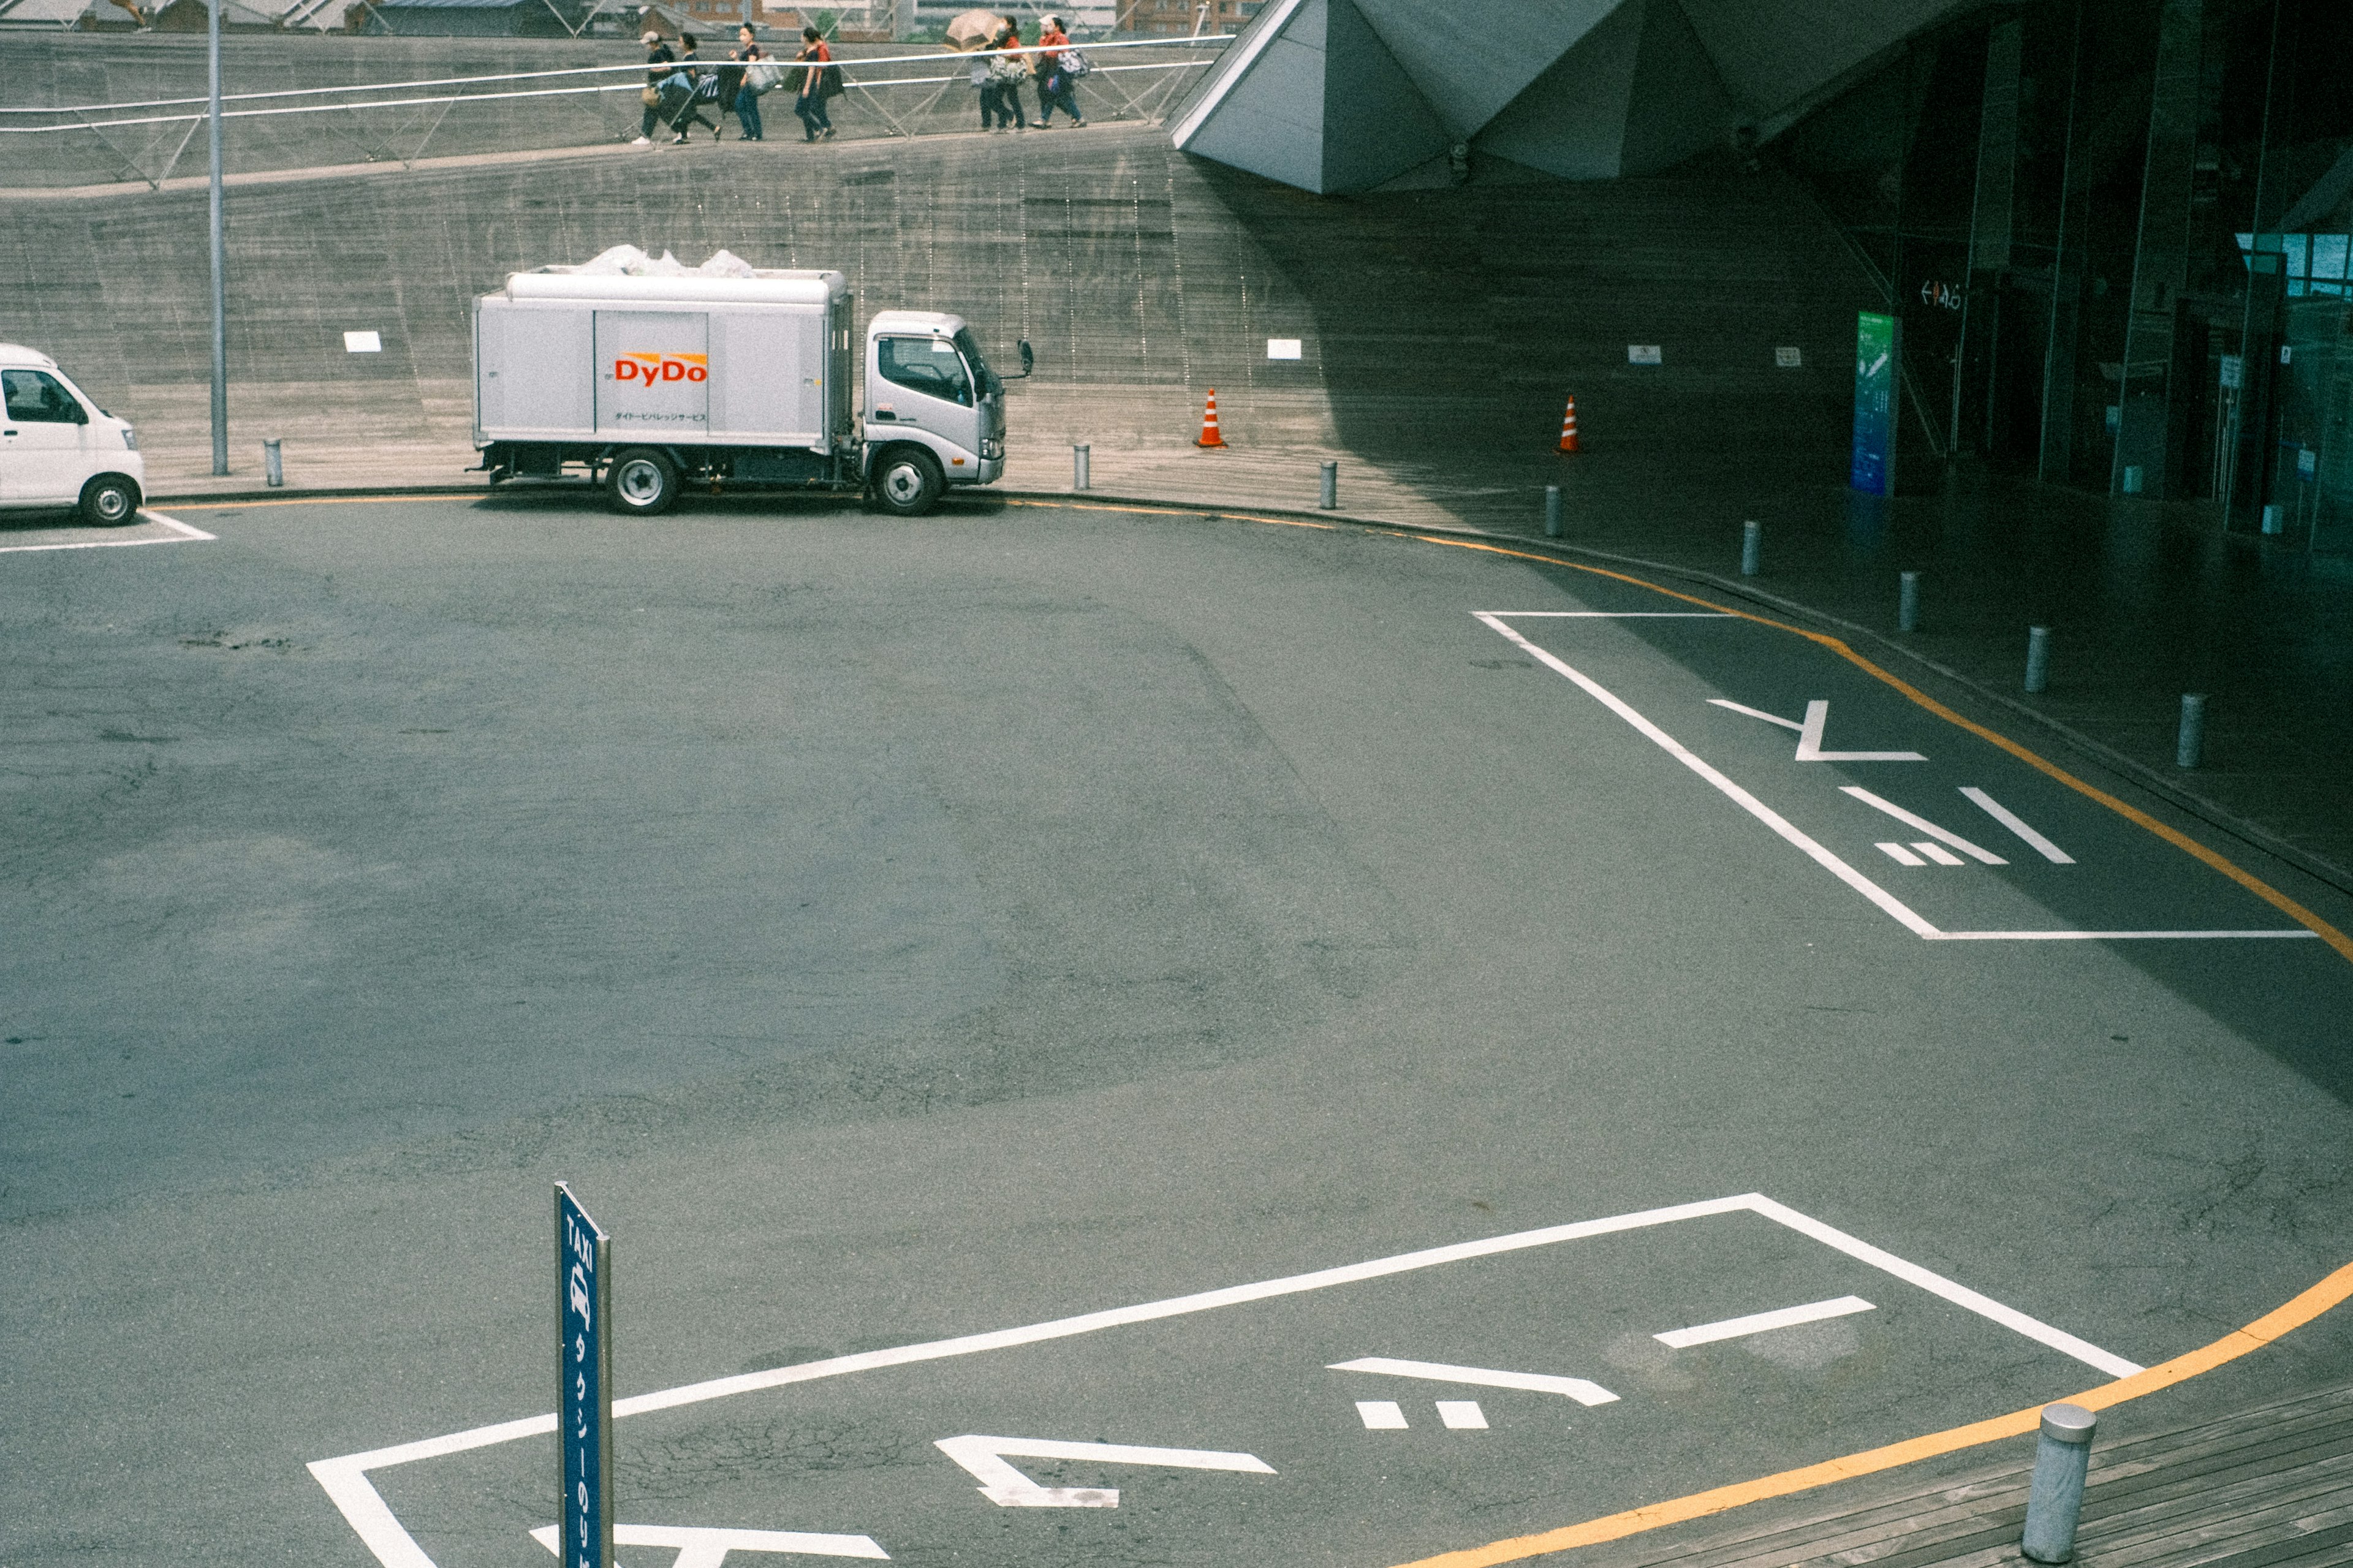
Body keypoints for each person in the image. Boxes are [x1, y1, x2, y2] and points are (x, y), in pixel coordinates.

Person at [665, 32, 720, 144]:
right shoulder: (689, 55)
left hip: (688, 90)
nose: (678, 44)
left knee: (688, 113)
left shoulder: (690, 57)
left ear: (686, 44)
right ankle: (686, 135)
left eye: (680, 42)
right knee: (687, 112)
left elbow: (692, 74)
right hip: (687, 89)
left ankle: (712, 128)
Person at [1032, 13, 1082, 129]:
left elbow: (1064, 54)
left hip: (1060, 71)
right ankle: (1077, 117)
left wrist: (1050, 52)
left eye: (1051, 25)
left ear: (1057, 27)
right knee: (1060, 96)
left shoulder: (1062, 38)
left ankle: (1045, 119)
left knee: (1054, 94)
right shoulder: (1051, 38)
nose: (1048, 27)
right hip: (1056, 71)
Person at [634, 30, 678, 146]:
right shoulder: (661, 51)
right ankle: (681, 131)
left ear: (653, 43)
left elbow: (667, 67)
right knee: (661, 112)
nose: (647, 46)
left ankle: (645, 136)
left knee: (651, 110)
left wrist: (653, 69)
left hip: (658, 87)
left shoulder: (658, 53)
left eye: (648, 44)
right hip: (660, 86)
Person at [794, 25, 837, 142]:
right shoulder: (811, 51)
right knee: (812, 108)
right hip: (813, 83)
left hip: (818, 83)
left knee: (811, 108)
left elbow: (819, 69)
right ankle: (816, 132)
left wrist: (814, 85)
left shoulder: (820, 50)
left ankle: (823, 127)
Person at [983, 17, 1027, 131]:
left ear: (1010, 25)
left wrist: (1003, 54)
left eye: (1003, 22)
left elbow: (1017, 54)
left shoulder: (1011, 38)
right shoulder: (1005, 38)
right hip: (1005, 74)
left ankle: (1011, 119)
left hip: (1008, 73)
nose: (1001, 24)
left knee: (997, 100)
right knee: (1010, 99)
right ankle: (1015, 121)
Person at [730, 27, 767, 142]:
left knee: (750, 108)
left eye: (744, 34)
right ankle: (750, 131)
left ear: (751, 35)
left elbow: (751, 66)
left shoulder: (752, 49)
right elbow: (742, 66)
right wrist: (736, 58)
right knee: (741, 106)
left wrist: (745, 78)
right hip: (747, 83)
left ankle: (755, 133)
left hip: (750, 83)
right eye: (740, 35)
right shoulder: (748, 49)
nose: (742, 37)